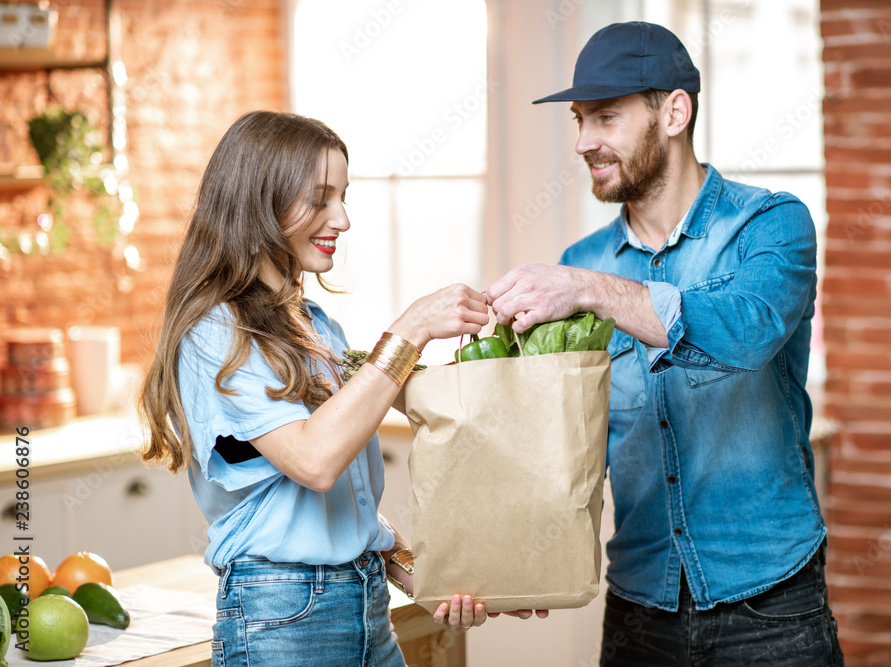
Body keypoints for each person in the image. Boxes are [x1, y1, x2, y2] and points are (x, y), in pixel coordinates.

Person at [487, 21, 843, 666]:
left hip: (770, 605)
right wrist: (502, 568)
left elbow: (749, 328)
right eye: (579, 121)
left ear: (673, 112)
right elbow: (571, 445)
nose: (584, 142)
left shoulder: (769, 223)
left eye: (606, 118)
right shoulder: (585, 261)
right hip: (639, 609)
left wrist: (594, 292)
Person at [137, 111, 541, 666]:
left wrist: (434, 574)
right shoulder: (216, 332)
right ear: (260, 202)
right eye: (320, 199)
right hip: (284, 617)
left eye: (343, 196)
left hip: (365, 602)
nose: (343, 219)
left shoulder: (319, 325)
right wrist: (412, 330)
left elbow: (340, 510)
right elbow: (314, 460)